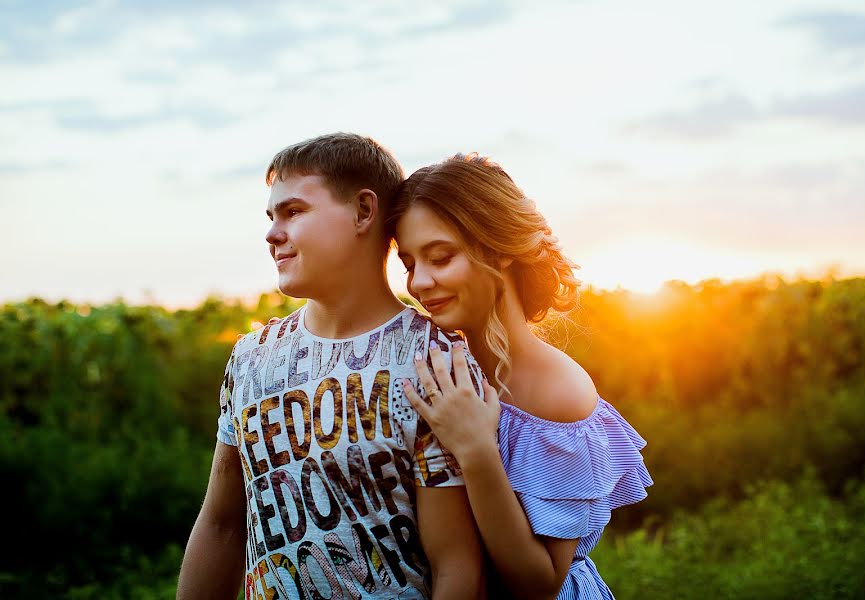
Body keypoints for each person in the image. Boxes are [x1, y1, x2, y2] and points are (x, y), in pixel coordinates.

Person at [177, 134, 487, 600]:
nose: (271, 233)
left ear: (364, 211)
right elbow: (222, 525)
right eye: (270, 216)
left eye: (294, 212)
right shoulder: (250, 358)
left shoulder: (433, 360)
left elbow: (457, 566)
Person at [387, 153, 653, 599]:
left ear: (499, 249)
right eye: (410, 263)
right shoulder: (441, 365)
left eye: (441, 257)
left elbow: (540, 582)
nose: (420, 283)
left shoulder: (556, 391)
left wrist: (477, 451)